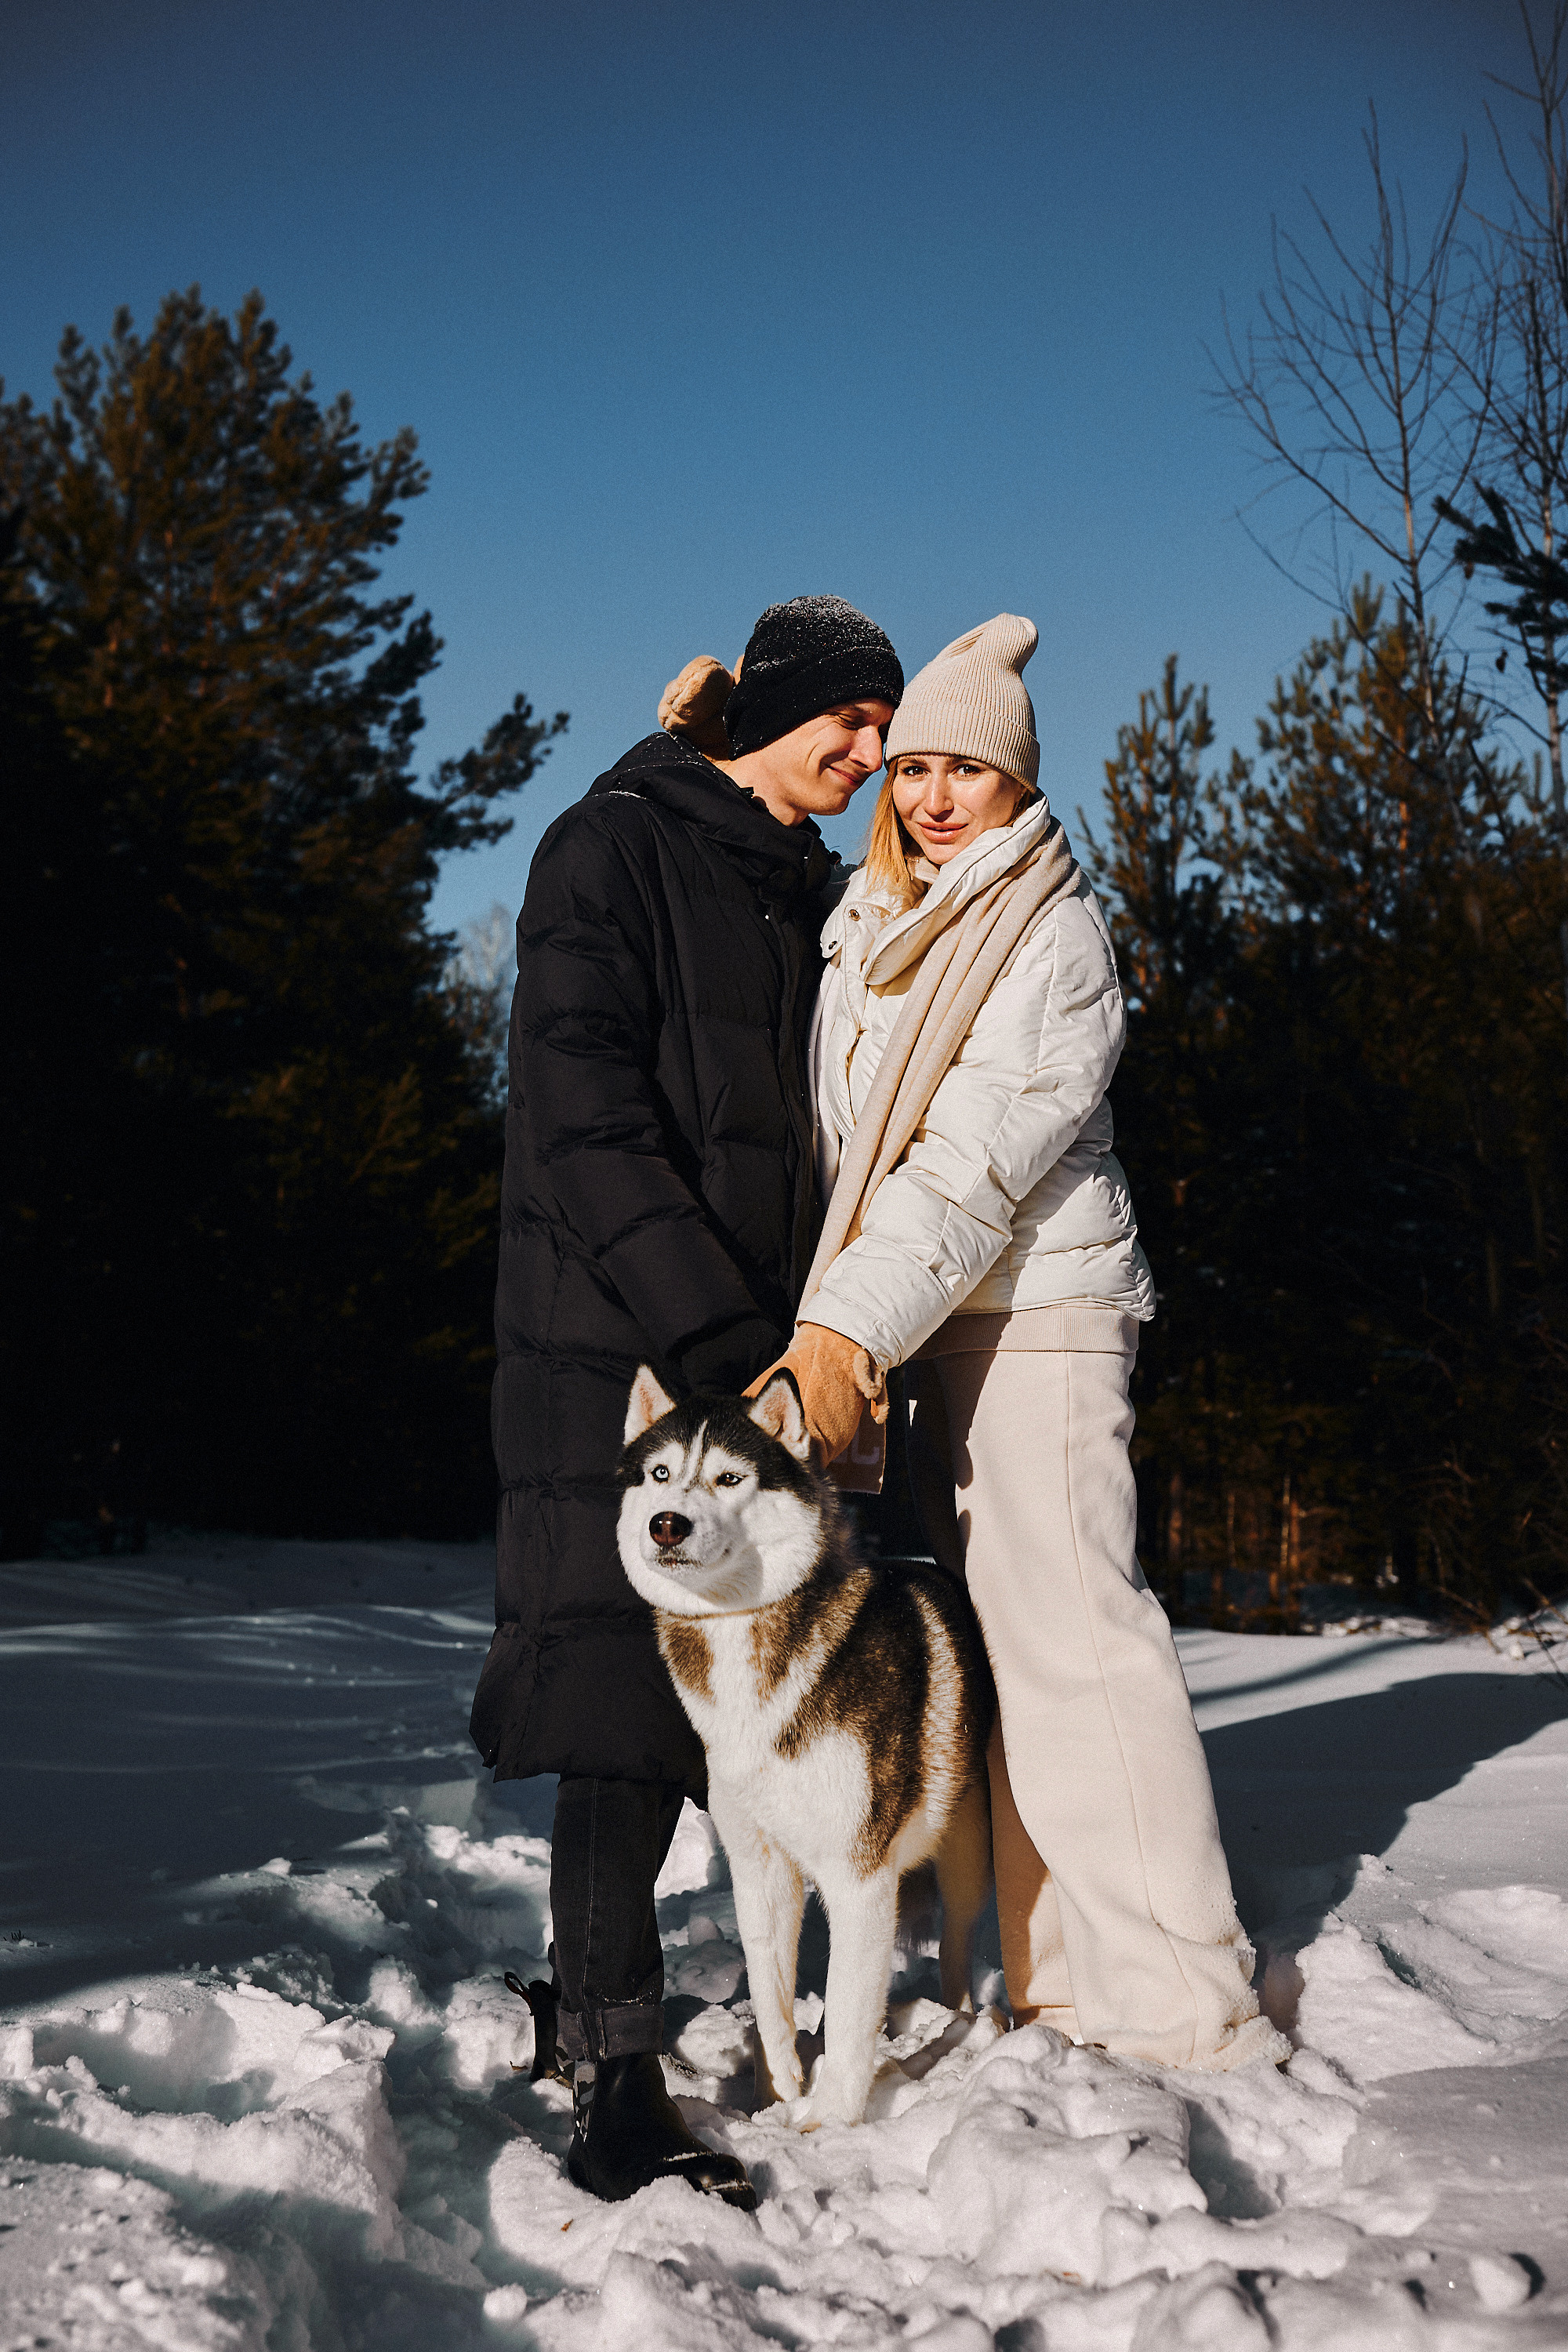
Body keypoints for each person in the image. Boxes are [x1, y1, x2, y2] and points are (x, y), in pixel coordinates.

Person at [763, 614, 1287, 2072]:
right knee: (1005, 1646)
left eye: (965, 773)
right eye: (910, 767)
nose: (930, 795)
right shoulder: (877, 923)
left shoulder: (1047, 931)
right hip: (938, 1316)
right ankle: (1063, 1976)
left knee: (1078, 1641)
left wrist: (843, 1327)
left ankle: (1182, 1996)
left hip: (1037, 1310)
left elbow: (974, 1161)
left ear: (1018, 785)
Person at [470, 594, 903, 2205]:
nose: (865, 754)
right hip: (623, 1346)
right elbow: (584, 1116)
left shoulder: (800, 889)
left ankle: (602, 2010)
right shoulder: (614, 849)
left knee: (728, 1692)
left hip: (748, 1361)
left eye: (881, 727)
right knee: (620, 1693)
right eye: (840, 723)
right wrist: (722, 1341)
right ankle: (614, 2068)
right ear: (758, 714)